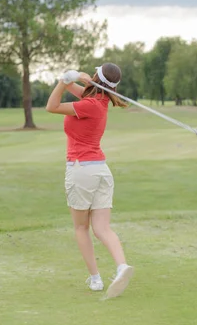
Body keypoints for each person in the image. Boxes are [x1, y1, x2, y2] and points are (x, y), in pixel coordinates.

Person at [45, 63, 134, 298]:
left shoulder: (87, 105)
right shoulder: (100, 101)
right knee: (102, 228)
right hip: (101, 171)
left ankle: (96, 279)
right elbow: (79, 89)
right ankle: (122, 266)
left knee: (81, 227)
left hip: (80, 170)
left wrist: (64, 82)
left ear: (96, 77)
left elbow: (51, 106)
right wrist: (71, 79)